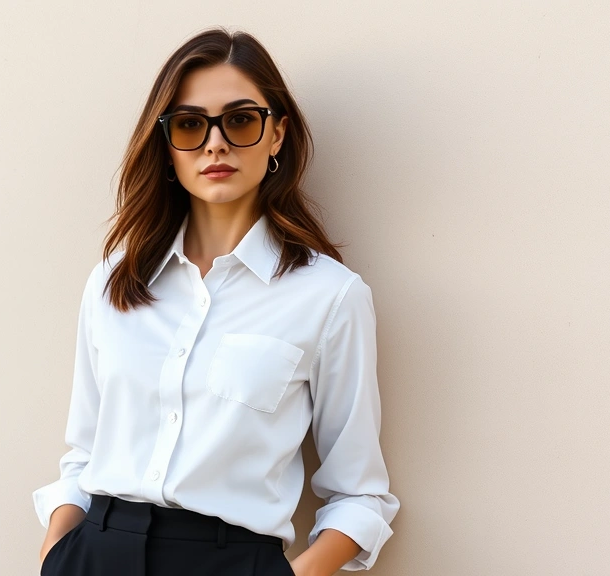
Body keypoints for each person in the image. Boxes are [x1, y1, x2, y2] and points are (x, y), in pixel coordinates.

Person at [32, 27, 399, 576]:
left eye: (240, 119)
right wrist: (54, 557)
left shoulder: (329, 296)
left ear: (276, 134)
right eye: (189, 124)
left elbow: (359, 495)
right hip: (94, 553)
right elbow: (83, 455)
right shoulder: (116, 279)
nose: (215, 143)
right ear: (167, 144)